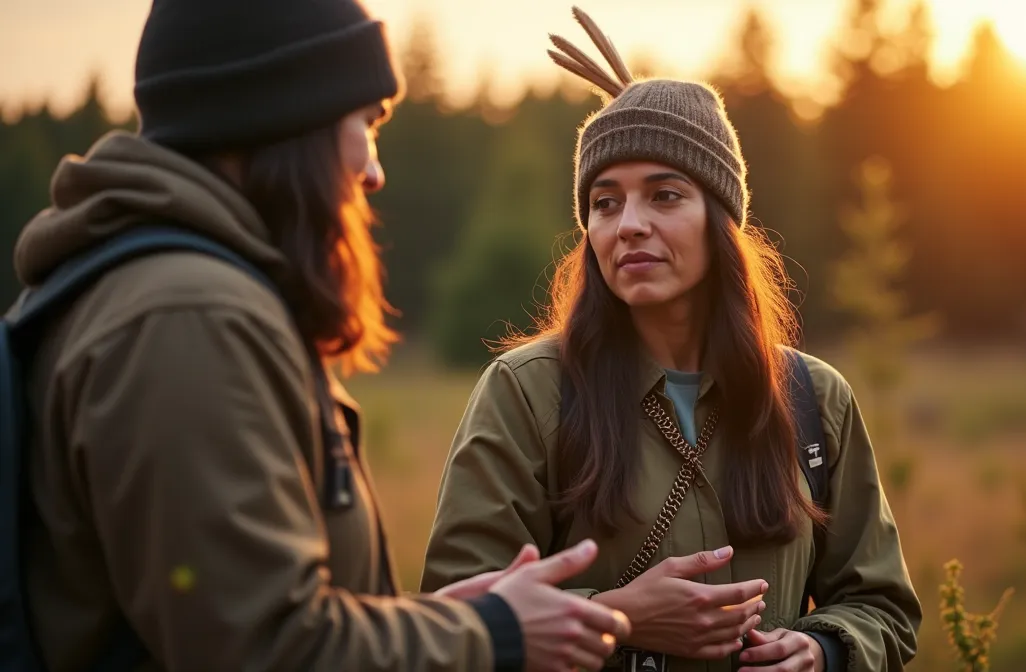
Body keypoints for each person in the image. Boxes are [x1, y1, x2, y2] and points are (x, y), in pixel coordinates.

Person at [11, 0, 629, 670]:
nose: (374, 171)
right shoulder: (188, 317)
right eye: (365, 126)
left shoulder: (187, 298)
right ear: (285, 122)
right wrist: (490, 635)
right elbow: (263, 647)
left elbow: (258, 609)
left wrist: (441, 620)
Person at [420, 7, 922, 672]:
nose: (628, 224)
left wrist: (822, 648)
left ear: (719, 221)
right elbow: (456, 624)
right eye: (605, 202)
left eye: (663, 196)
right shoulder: (529, 393)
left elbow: (882, 606)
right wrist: (623, 620)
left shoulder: (811, 399)